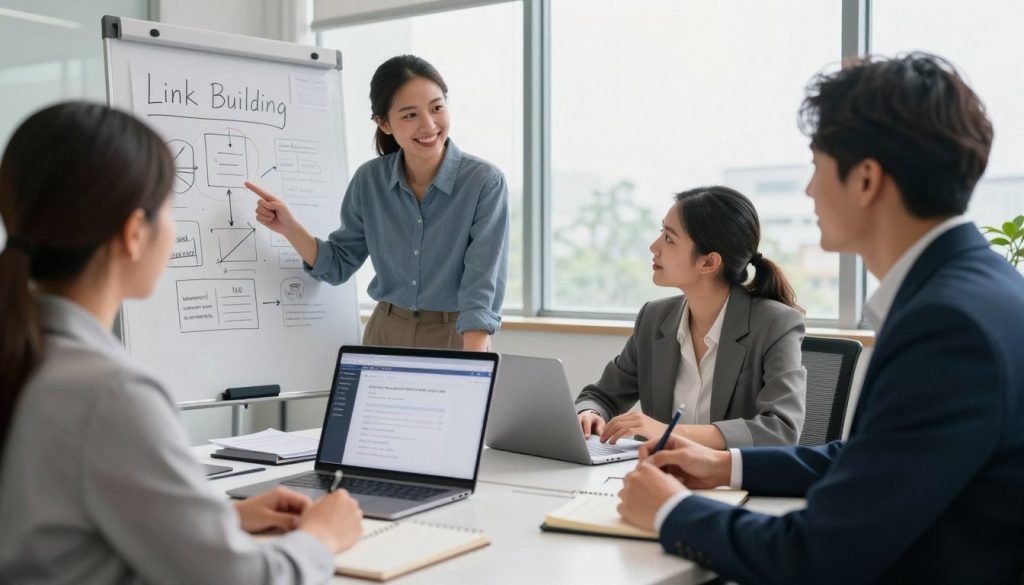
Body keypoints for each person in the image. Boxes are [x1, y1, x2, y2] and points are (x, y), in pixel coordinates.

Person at [618, 53, 1024, 584]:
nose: (809, 190)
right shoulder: (983, 289)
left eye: (816, 165)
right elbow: (876, 462)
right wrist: (725, 465)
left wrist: (670, 511)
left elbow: (822, 556)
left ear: (866, 179)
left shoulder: (947, 325)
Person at [0, 102, 364, 584]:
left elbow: (59, 526)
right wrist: (322, 536)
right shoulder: (110, 394)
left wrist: (219, 517)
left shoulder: (27, 354)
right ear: (133, 233)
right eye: (170, 211)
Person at [246, 54, 509, 351]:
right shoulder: (369, 181)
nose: (429, 124)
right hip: (385, 332)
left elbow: (482, 283)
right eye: (410, 115)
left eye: (437, 108)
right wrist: (290, 228)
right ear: (383, 123)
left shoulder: (484, 182)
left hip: (456, 336)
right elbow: (338, 264)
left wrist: (473, 366)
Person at [575, 186, 807, 449]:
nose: (654, 246)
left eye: (670, 238)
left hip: (730, 483)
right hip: (658, 477)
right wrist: (590, 414)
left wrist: (665, 432)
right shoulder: (654, 317)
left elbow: (781, 430)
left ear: (708, 263)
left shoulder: (775, 324)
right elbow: (601, 395)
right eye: (660, 232)